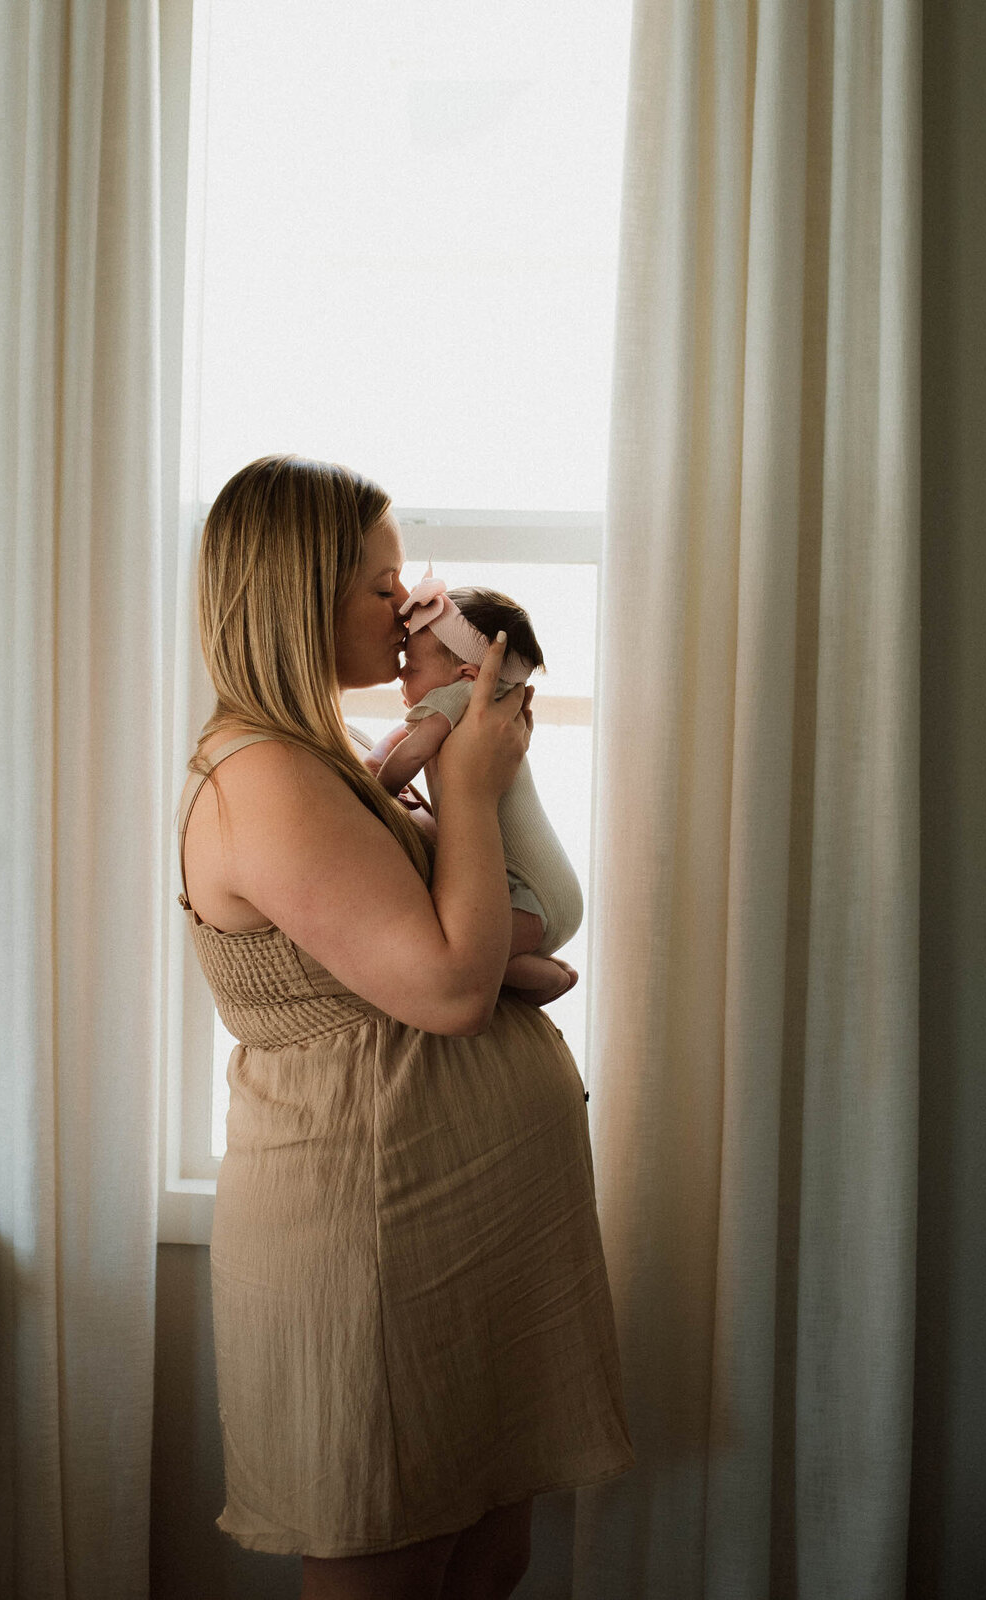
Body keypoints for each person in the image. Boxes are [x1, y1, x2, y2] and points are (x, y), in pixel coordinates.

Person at [176, 454, 634, 1600]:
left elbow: (454, 950)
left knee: (485, 1556)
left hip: (454, 1227)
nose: (411, 605)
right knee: (391, 1559)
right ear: (298, 593)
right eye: (382, 583)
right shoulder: (263, 777)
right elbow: (444, 989)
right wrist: (472, 790)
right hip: (373, 1230)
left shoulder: (327, 759)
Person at [364, 566, 582, 1005]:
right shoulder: (484, 706)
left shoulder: (460, 697)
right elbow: (402, 740)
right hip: (547, 891)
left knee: (473, 962)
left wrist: (372, 792)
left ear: (467, 674)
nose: (402, 676)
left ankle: (552, 979)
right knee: (493, 959)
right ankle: (552, 972)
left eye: (413, 665)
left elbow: (408, 753)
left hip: (528, 895)